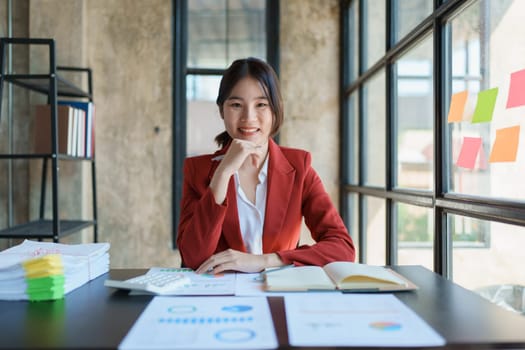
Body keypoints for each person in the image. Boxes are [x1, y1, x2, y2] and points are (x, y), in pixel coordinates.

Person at [177, 57, 355, 274]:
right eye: (236, 105)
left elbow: (342, 248)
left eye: (261, 104)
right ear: (222, 110)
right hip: (221, 297)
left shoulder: (299, 166)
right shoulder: (198, 170)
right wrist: (223, 173)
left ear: (275, 110)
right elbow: (193, 258)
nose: (248, 117)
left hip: (280, 293)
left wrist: (264, 261)